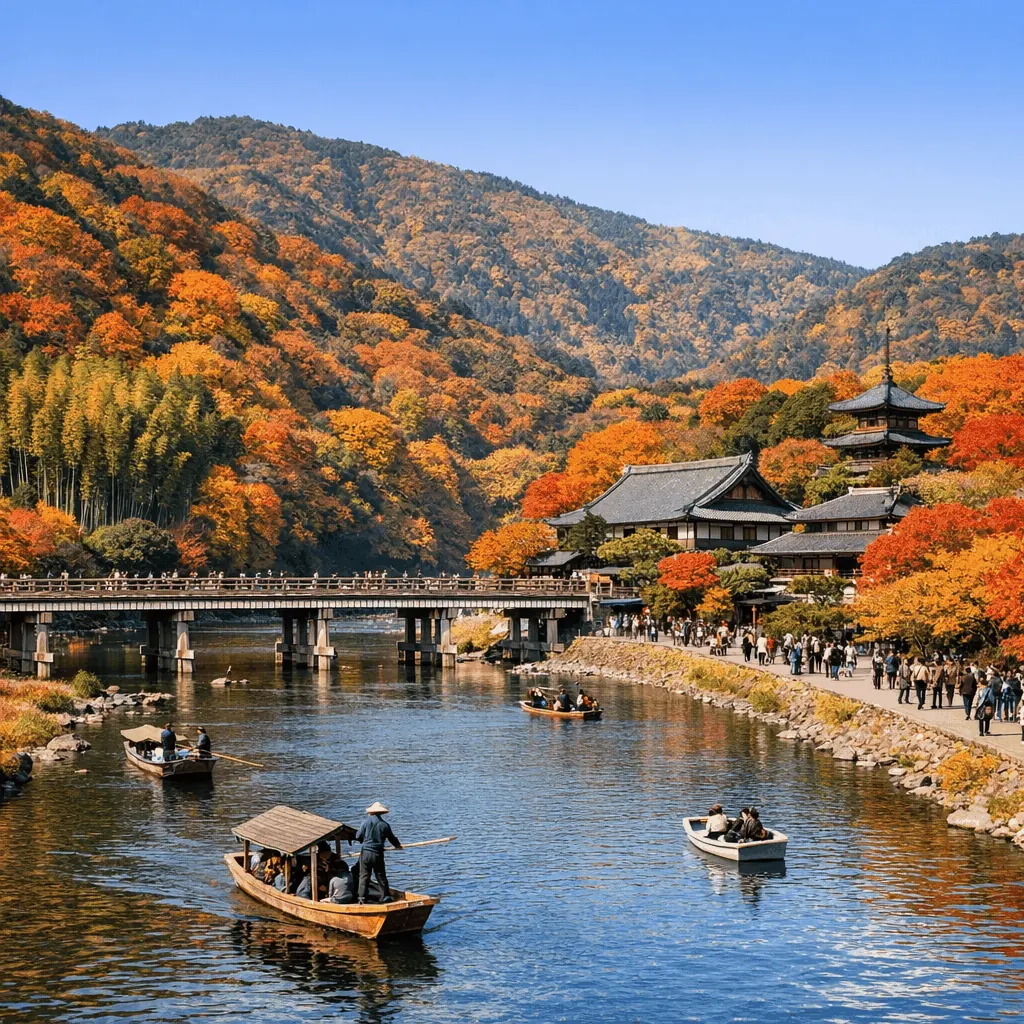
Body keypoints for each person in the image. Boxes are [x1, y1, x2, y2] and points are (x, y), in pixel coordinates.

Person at [355, 801, 402, 904]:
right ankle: (385, 896)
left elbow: (358, 836)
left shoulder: (365, 822)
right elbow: (392, 838)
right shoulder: (385, 825)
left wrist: (364, 839)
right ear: (381, 813)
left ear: (371, 812)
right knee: (380, 876)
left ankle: (361, 899)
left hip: (366, 853)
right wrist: (398, 846)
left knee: (364, 876)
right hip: (377, 853)